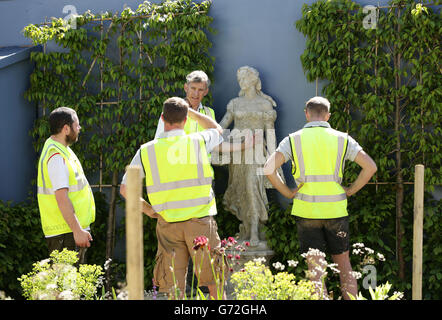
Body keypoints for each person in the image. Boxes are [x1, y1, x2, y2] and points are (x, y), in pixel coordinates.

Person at [263, 96, 377, 300]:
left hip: (306, 212)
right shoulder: (343, 139)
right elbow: (371, 167)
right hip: (336, 211)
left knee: (315, 271)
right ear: (328, 115)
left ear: (306, 114)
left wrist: (288, 192)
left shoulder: (293, 139)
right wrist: (350, 190)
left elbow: (268, 168)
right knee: (344, 265)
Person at [120, 97, 226, 299]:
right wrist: (191, 111)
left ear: (162, 118)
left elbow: (126, 189)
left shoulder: (146, 150)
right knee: (214, 281)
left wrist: (149, 210)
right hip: (200, 223)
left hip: (167, 225)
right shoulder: (198, 140)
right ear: (186, 120)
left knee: (171, 287)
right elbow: (217, 129)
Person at [218, 66, 282, 247]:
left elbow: (270, 133)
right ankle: (247, 229)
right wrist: (220, 144)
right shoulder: (234, 103)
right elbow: (221, 127)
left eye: (244, 78)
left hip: (255, 153)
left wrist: (273, 159)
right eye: (239, 79)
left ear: (253, 80)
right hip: (237, 154)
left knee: (252, 186)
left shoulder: (265, 105)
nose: (241, 82)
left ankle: (255, 231)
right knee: (241, 189)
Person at [37, 107, 95, 264]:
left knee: (72, 286)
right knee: (68, 287)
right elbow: (61, 198)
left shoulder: (62, 150)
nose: (80, 128)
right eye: (77, 125)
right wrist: (77, 230)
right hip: (66, 233)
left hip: (68, 232)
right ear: (66, 129)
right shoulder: (56, 156)